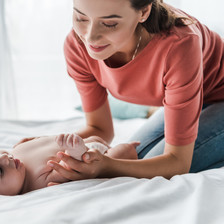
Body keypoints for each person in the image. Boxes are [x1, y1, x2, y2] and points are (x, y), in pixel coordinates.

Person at [28, 0, 224, 182]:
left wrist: (106, 167)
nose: (90, 37)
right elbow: (100, 129)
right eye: (81, 18)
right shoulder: (77, 46)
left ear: (143, 12)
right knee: (132, 157)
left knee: (144, 168)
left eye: (110, 24)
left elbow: (177, 162)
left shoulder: (179, 44)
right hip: (197, 97)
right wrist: (49, 145)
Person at [0, 134, 139, 199]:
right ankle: (130, 150)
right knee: (123, 151)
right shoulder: (40, 182)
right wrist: (76, 150)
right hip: (96, 156)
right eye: (0, 171)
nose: (4, 159)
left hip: (90, 140)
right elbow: (76, 168)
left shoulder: (14, 156)